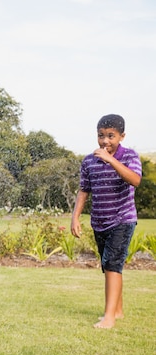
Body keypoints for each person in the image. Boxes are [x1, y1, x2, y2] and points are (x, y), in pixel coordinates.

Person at [71, 114, 142, 329]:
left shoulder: (129, 156)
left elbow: (135, 180)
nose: (105, 141)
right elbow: (84, 191)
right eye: (101, 136)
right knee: (108, 266)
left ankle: (109, 317)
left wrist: (111, 160)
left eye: (111, 136)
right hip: (99, 221)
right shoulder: (89, 161)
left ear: (122, 136)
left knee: (112, 264)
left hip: (123, 219)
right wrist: (75, 218)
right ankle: (117, 310)